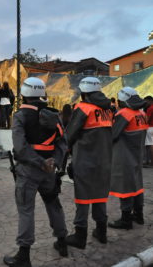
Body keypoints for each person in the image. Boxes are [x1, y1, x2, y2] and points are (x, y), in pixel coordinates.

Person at [3, 77, 68, 267]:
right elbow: (63, 144)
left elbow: (21, 148)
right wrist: (52, 162)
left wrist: (40, 163)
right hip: (49, 171)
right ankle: (62, 242)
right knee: (53, 204)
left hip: (28, 171)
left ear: (24, 94)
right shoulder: (54, 115)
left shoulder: (20, 116)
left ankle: (23, 256)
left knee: (26, 211)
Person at [65, 77, 113, 249]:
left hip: (85, 162)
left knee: (84, 198)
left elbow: (68, 136)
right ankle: (102, 232)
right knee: (100, 197)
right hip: (105, 162)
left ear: (84, 92)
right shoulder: (108, 110)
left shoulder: (83, 108)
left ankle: (80, 237)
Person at [109, 87, 148, 229]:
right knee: (137, 186)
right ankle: (139, 215)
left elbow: (112, 135)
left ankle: (126, 220)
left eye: (120, 100)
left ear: (124, 100)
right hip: (137, 156)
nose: (119, 103)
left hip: (124, 157)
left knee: (125, 187)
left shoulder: (124, 114)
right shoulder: (141, 114)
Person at [144, 96, 153, 166]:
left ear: (150, 101)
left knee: (150, 145)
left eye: (146, 102)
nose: (145, 103)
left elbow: (148, 119)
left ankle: (151, 162)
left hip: (150, 127)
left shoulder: (150, 108)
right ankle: (148, 161)